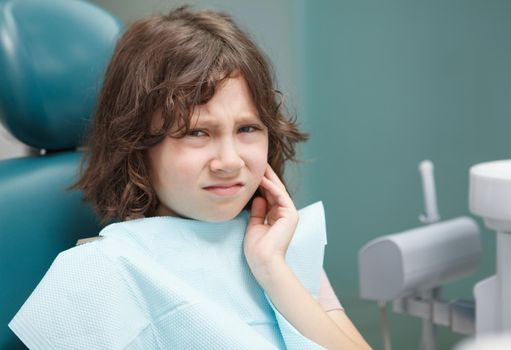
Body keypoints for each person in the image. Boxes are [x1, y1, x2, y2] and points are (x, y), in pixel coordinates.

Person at [12, 6, 371, 349]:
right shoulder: (102, 274)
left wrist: (273, 271)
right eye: (196, 133)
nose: (229, 161)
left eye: (247, 128)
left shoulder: (283, 245)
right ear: (137, 144)